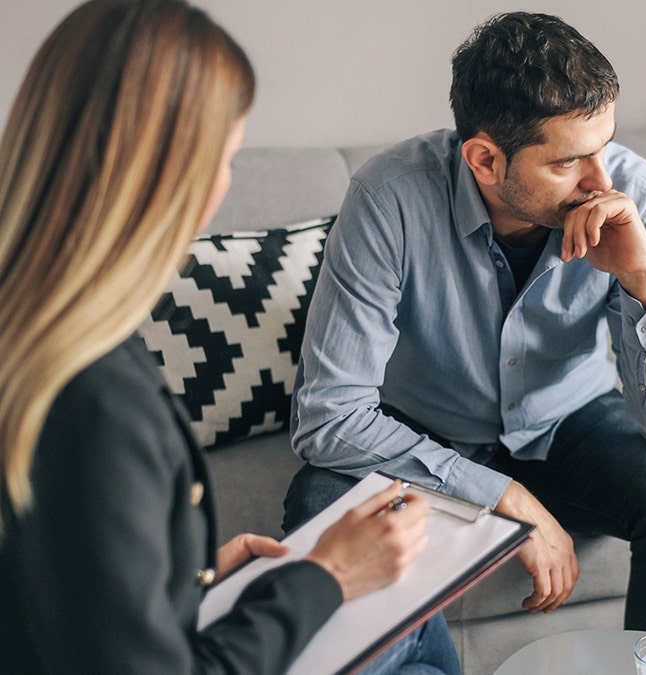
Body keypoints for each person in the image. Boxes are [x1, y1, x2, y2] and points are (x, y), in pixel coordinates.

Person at [0, 1, 457, 673]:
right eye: (228, 159)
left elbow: (65, 597)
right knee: (414, 634)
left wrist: (191, 583)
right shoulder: (94, 393)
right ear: (164, 169)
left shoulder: (36, 330)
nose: (223, 183)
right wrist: (326, 577)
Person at [286, 11, 646, 639]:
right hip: (427, 430)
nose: (599, 183)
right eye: (569, 162)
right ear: (485, 159)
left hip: (566, 422)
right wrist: (503, 497)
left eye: (604, 148)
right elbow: (329, 418)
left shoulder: (636, 197)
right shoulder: (390, 199)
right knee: (318, 506)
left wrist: (644, 282)